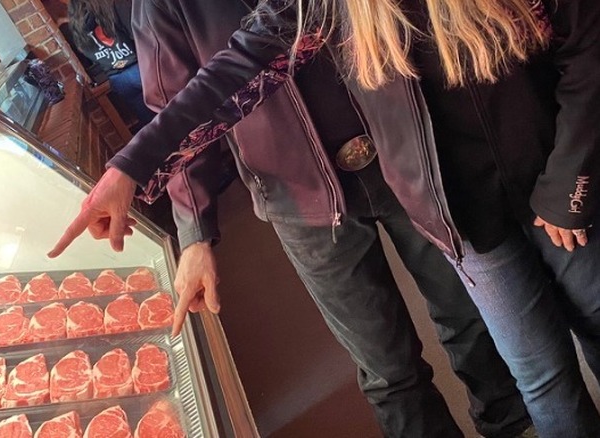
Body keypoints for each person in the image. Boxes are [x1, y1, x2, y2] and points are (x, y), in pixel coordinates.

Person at [48, 0, 600, 435]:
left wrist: (569, 184)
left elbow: (581, 44)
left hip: (491, 177)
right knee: (489, 372)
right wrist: (136, 173)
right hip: (387, 207)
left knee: (536, 323)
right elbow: (231, 72)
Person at [63, 0, 155, 129]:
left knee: (153, 123)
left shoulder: (76, 28)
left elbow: (87, 54)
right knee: (173, 111)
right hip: (142, 68)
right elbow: (142, 34)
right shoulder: (116, 7)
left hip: (119, 80)